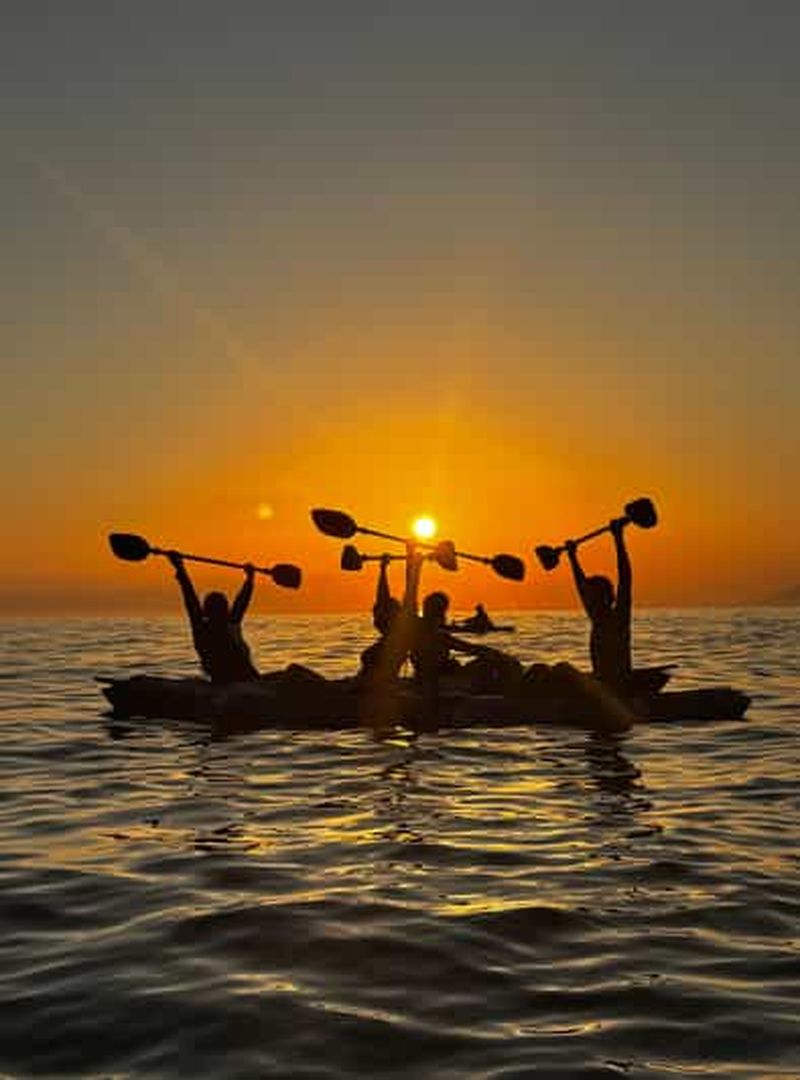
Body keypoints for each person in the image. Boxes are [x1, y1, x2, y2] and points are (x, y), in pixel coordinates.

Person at [168, 552, 260, 684]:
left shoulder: (201, 628)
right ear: (226, 610)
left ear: (205, 611)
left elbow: (190, 598)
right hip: (246, 681)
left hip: (224, 683)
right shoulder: (230, 624)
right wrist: (250, 578)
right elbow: (241, 602)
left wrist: (180, 567)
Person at [565, 518, 632, 694]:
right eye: (589, 597)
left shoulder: (619, 617)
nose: (588, 600)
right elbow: (581, 585)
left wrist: (618, 538)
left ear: (608, 598)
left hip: (620, 686)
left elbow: (625, 577)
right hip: (602, 685)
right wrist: (572, 557)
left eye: (593, 597)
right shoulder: (596, 617)